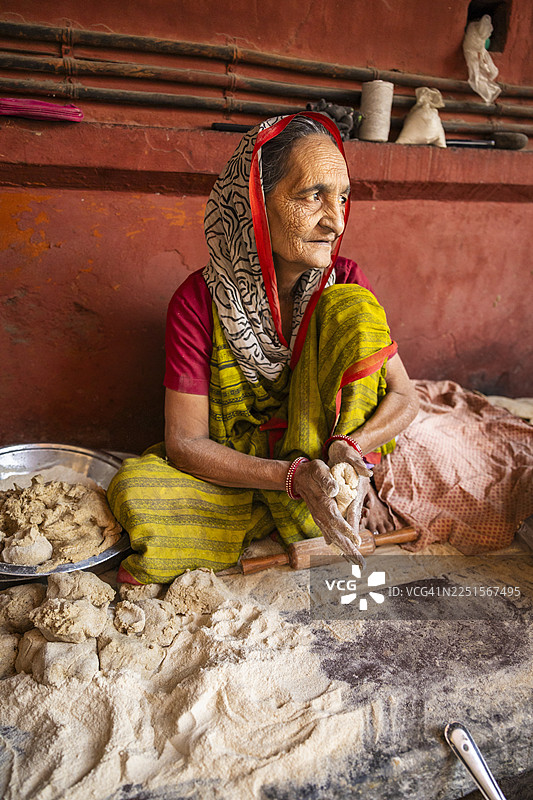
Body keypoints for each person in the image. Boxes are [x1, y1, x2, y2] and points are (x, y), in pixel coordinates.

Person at [107, 111, 419, 585]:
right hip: (248, 474)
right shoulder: (199, 302)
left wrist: (349, 450)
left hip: (329, 468)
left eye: (342, 198)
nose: (335, 222)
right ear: (254, 202)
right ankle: (299, 511)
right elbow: (186, 443)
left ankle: (346, 496)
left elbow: (405, 397)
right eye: (313, 195)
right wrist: (291, 478)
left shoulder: (346, 282)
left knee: (353, 309)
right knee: (136, 491)